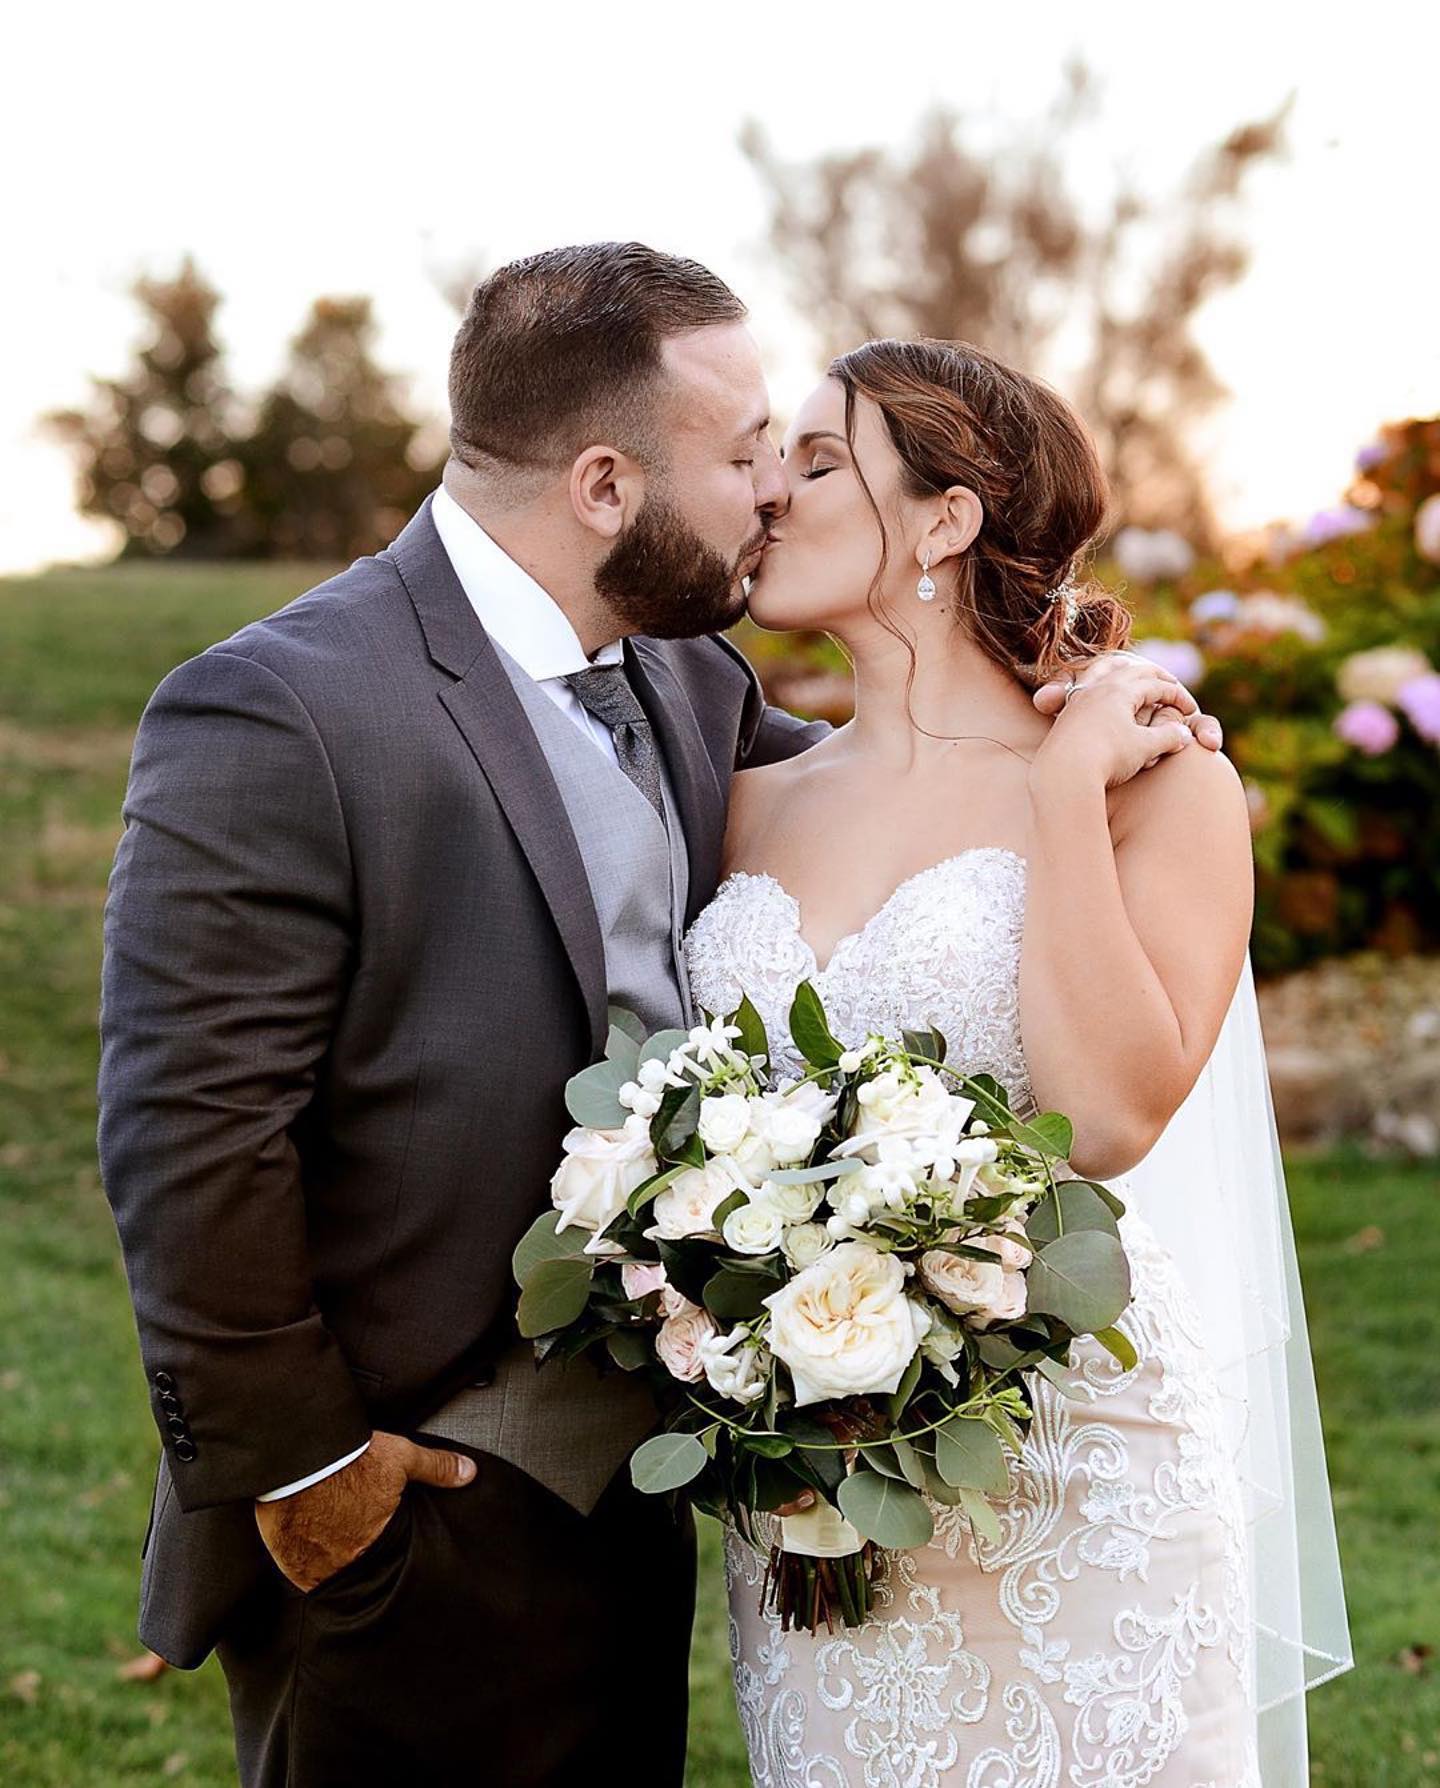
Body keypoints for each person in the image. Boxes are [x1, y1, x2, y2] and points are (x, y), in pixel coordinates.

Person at [96, 244, 1223, 1786]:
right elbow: (188, 1128)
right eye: (753, 450)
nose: (769, 489)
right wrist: (306, 1469)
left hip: (703, 1493)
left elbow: (923, 782)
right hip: (404, 1505)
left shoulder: (699, 698)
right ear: (610, 484)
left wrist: (1083, 733)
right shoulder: (282, 703)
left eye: (802, 454)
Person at [683, 336, 1351, 1786]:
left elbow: (1107, 1113)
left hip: (1078, 1473)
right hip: (815, 1487)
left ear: (946, 519)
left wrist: (1060, 791)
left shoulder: (1164, 787)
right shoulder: (740, 803)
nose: (766, 496)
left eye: (814, 461)